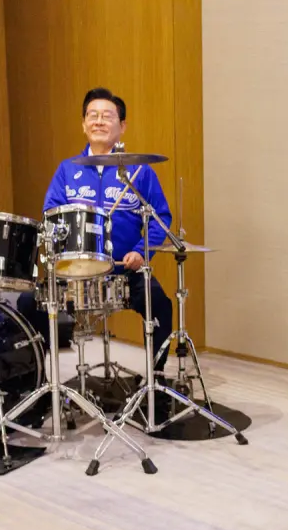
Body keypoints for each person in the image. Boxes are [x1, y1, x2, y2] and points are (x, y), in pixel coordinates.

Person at [17, 87, 173, 372]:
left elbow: (160, 218)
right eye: (93, 115)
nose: (99, 121)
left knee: (160, 303)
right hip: (73, 272)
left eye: (107, 116)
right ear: (83, 124)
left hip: (124, 270)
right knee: (29, 302)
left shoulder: (139, 172)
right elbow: (50, 215)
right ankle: (39, 377)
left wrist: (141, 253)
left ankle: (156, 377)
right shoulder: (67, 170)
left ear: (122, 126)